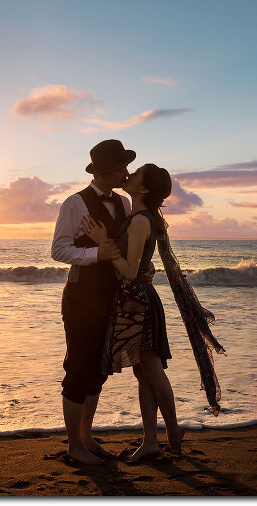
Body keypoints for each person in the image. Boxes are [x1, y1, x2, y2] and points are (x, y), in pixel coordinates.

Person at [81, 163, 187, 462]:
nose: (128, 175)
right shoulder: (137, 216)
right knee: (143, 373)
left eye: (135, 174)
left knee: (151, 371)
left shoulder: (140, 220)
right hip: (132, 302)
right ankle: (151, 441)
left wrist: (103, 244)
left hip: (137, 301)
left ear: (143, 188)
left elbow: (129, 271)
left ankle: (174, 429)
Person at [51, 139, 134, 465]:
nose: (126, 173)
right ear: (104, 172)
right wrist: (95, 253)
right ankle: (74, 447)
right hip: (81, 297)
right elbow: (59, 250)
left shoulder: (124, 204)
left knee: (98, 369)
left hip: (110, 296)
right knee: (78, 368)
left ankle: (86, 439)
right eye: (121, 168)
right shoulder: (75, 203)